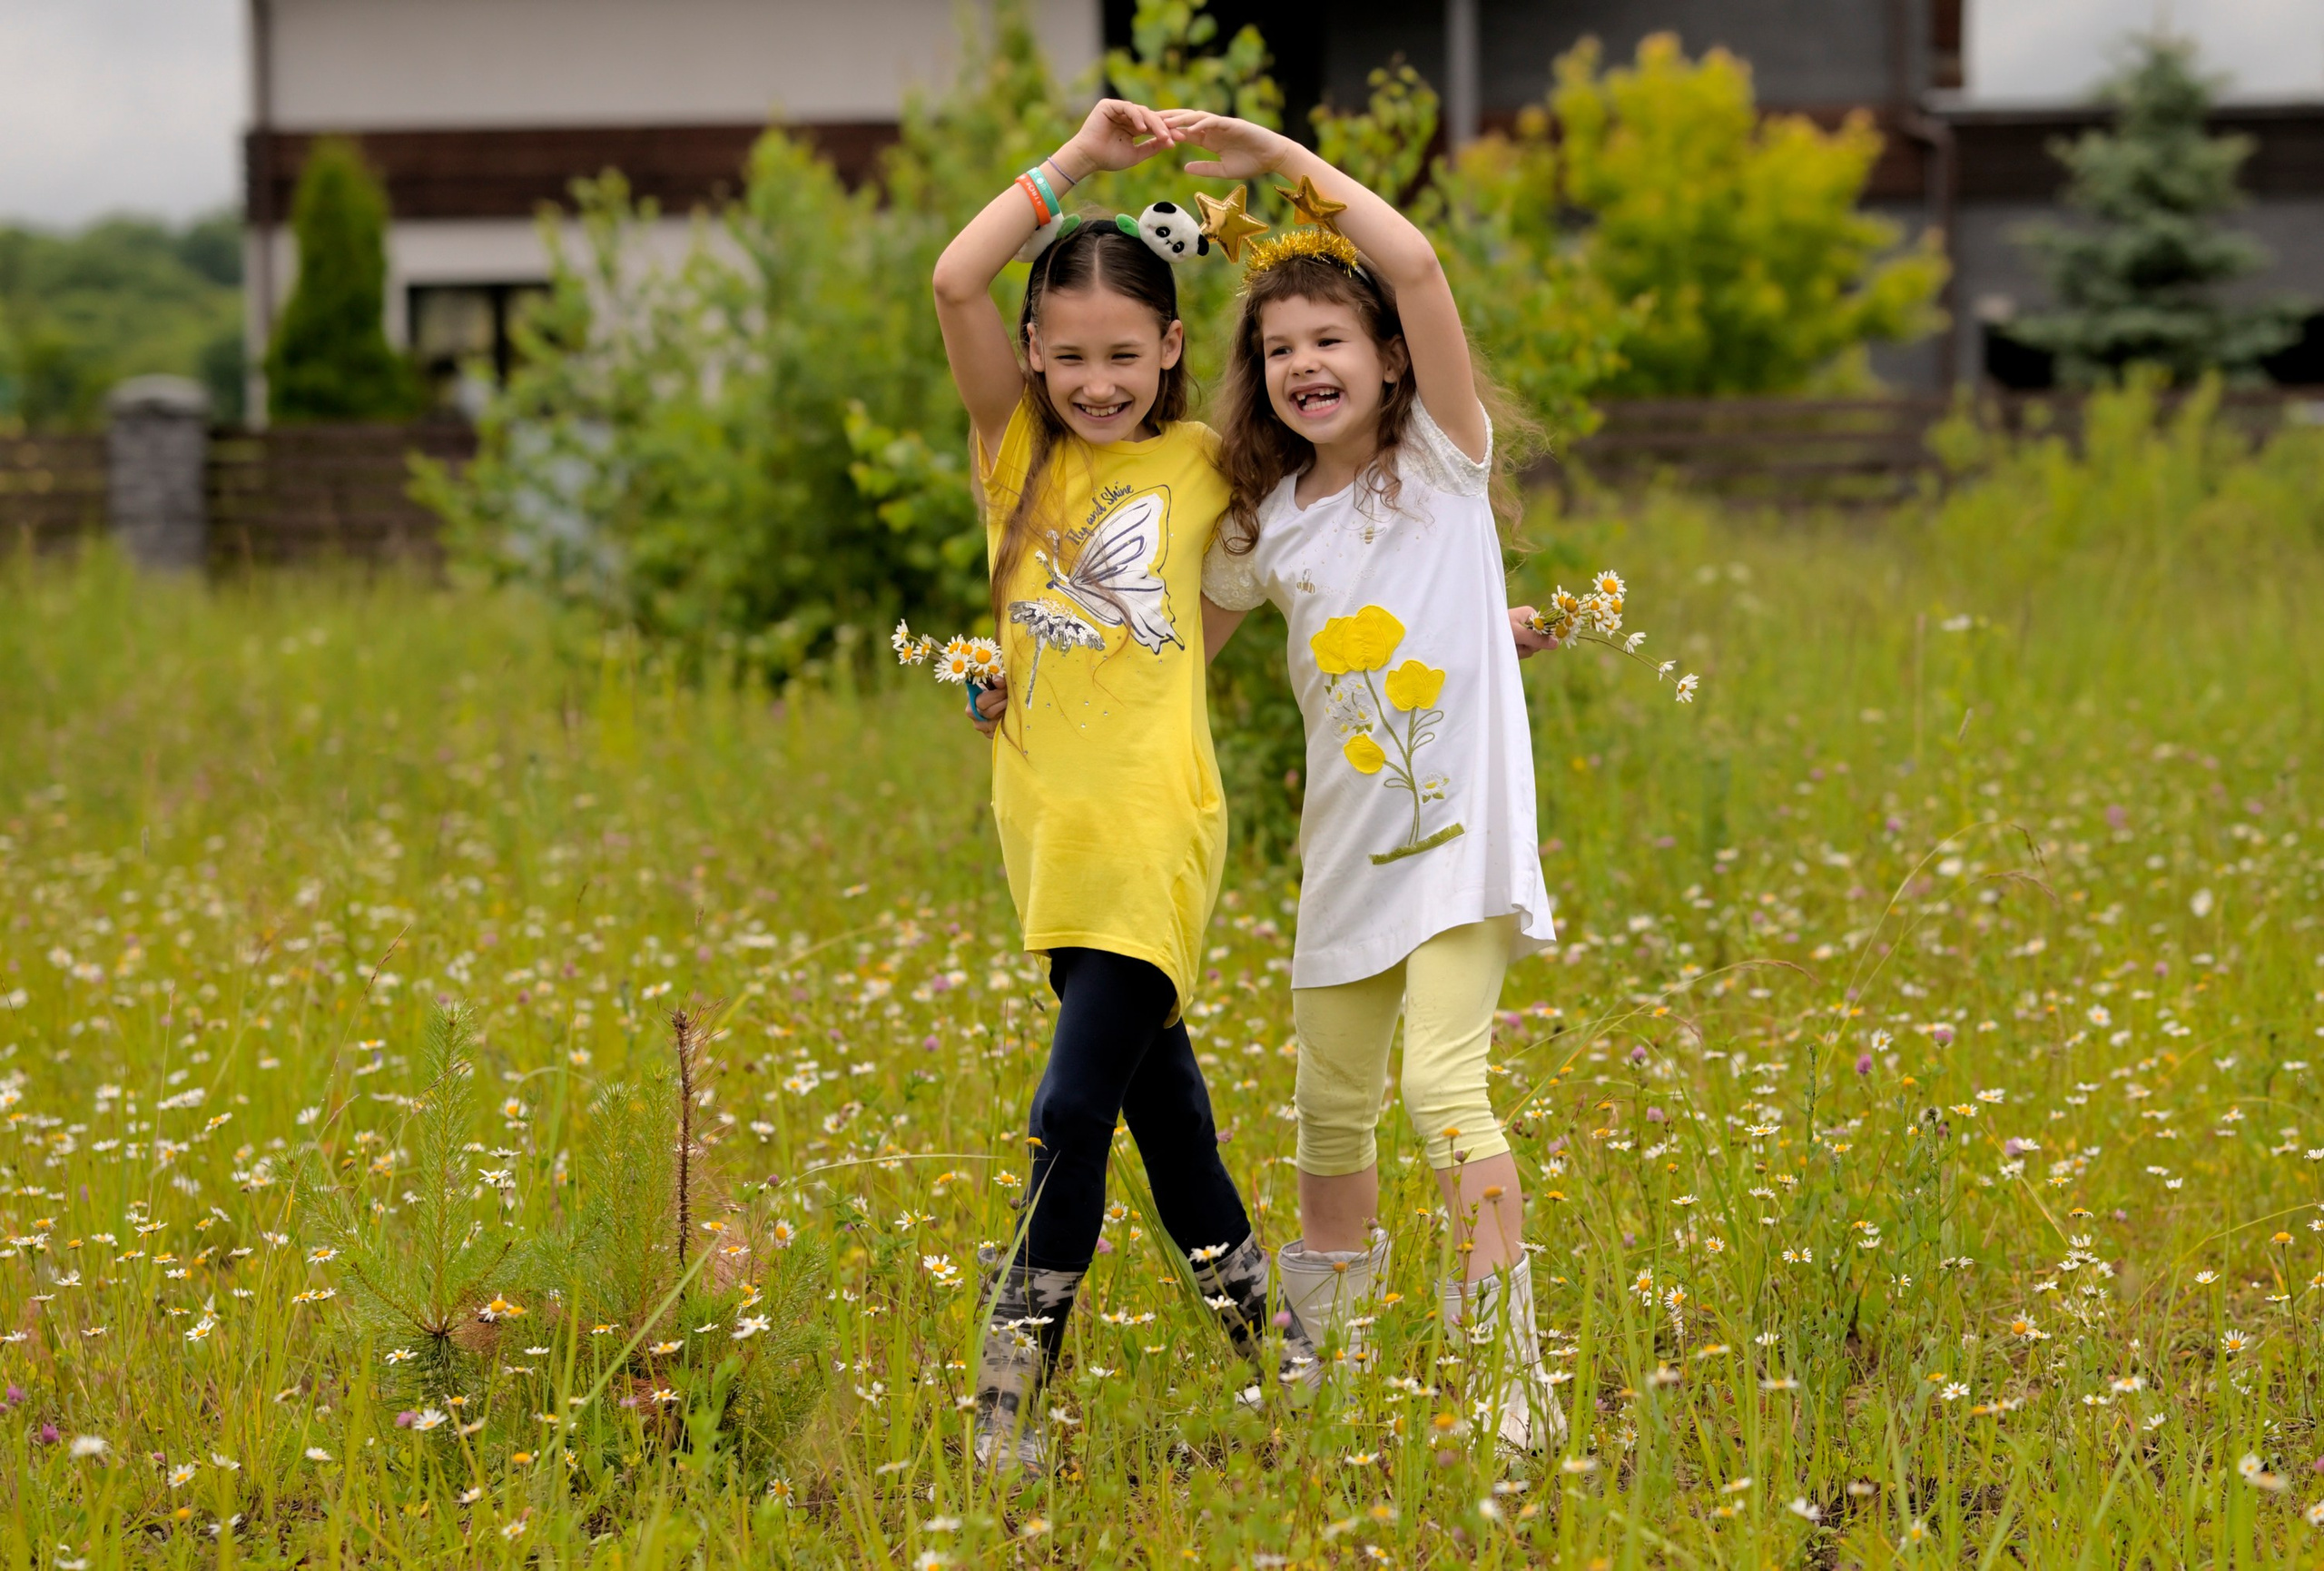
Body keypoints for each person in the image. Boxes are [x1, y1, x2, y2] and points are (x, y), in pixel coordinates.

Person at [1164, 106, 1567, 1448]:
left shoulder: (1444, 464)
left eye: (1330, 339)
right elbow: (1173, 651)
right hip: (1348, 860)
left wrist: (1277, 159)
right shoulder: (1269, 521)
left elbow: (1421, 264)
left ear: (1392, 361)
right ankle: (1323, 1371)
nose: (1303, 365)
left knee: (1443, 1092)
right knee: (1329, 1117)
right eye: (1277, 351)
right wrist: (1023, 678)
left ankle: (1513, 1384)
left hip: (1459, 843)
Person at [931, 98, 1317, 1475]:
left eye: (1125, 356)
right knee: (1174, 1125)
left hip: (1156, 823)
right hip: (1048, 831)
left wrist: (1264, 195)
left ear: (1169, 347)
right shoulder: (1015, 456)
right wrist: (1077, 168)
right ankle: (1286, 1359)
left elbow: (1335, 380)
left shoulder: (1209, 466)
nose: (1099, 381)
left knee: (1071, 1108)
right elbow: (954, 275)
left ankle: (1007, 1391)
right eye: (1071, 355)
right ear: (1034, 354)